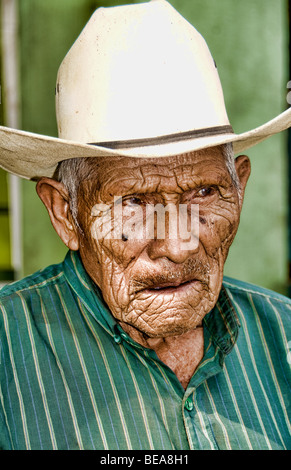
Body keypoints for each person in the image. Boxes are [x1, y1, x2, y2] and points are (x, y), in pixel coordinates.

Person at [0, 0, 290, 451]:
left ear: (241, 187)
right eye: (134, 202)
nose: (178, 245)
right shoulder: (7, 349)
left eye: (205, 193)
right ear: (64, 213)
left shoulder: (285, 336)